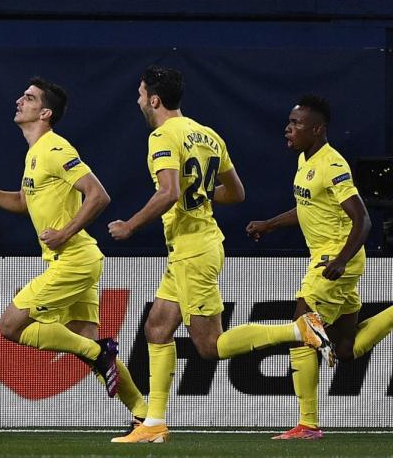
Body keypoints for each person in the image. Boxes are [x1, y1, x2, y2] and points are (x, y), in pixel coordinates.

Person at [107, 66, 332, 443]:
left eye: (142, 93)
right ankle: (154, 424)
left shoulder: (162, 136)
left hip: (194, 249)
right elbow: (236, 193)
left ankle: (298, 329)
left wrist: (130, 226)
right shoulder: (208, 135)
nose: (139, 100)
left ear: (155, 100)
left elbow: (168, 192)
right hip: (193, 246)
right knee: (157, 328)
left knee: (209, 346)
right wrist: (198, 193)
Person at [0, 77, 149, 429]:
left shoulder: (54, 148)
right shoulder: (35, 153)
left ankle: (98, 353)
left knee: (10, 326)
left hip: (75, 260)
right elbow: (23, 202)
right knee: (86, 339)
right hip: (75, 260)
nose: (20, 100)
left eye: (29, 98)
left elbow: (98, 195)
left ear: (45, 112)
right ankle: (144, 416)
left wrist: (65, 232)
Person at [246, 94, 393, 440]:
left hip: (334, 260)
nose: (288, 128)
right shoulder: (304, 159)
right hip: (330, 259)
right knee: (345, 349)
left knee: (301, 330)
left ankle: (308, 424)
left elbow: (364, 220)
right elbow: (308, 207)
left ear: (318, 130)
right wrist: (269, 224)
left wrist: (341, 260)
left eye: (296, 123)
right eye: (290, 121)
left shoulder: (333, 165)